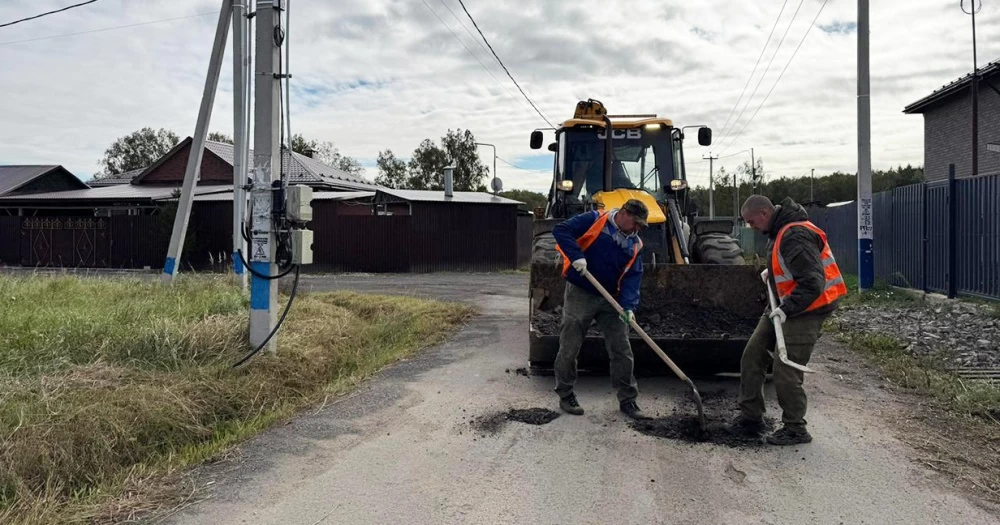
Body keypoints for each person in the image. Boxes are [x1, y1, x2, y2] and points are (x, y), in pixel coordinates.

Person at [737, 195, 847, 445]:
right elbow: (790, 266)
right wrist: (773, 273)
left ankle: (795, 428)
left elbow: (813, 282)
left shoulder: (794, 234)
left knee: (785, 367)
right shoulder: (779, 230)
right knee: (752, 355)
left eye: (752, 222)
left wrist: (787, 307)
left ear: (765, 214)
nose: (751, 227)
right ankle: (751, 417)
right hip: (784, 304)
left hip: (807, 308)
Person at [551, 199, 649, 419]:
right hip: (581, 292)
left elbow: (633, 277)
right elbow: (561, 230)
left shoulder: (635, 244)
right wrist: (576, 256)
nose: (638, 229)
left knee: (621, 348)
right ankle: (566, 394)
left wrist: (629, 307)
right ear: (624, 213)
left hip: (611, 299)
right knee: (570, 345)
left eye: (641, 225)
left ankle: (628, 399)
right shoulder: (595, 220)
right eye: (636, 222)